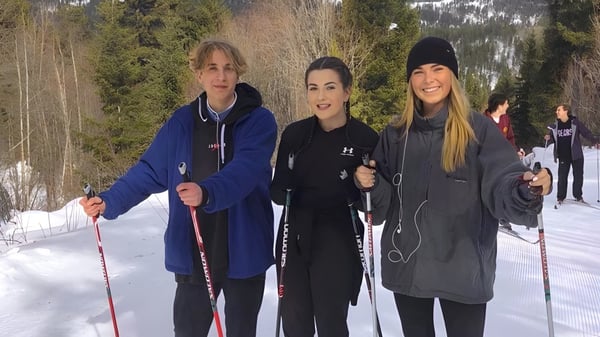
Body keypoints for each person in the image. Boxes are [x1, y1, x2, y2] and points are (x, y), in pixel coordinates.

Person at [354, 37, 552, 337]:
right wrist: (366, 182)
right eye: (418, 71)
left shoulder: (478, 130)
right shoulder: (395, 135)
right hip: (409, 264)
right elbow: (379, 206)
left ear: (452, 76)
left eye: (437, 69)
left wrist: (526, 188)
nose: (428, 79)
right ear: (410, 80)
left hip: (463, 266)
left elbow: (503, 179)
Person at [79, 38, 277, 337]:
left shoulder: (259, 120)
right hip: (193, 243)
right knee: (187, 330)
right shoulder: (182, 122)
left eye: (228, 69)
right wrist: (108, 201)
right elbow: (149, 170)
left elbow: (246, 170)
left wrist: (206, 192)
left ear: (238, 74)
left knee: (241, 330)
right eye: (212, 68)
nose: (220, 77)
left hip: (244, 245)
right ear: (199, 74)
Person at [270, 56, 379, 337]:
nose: (320, 96)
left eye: (330, 87)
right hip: (294, 235)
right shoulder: (296, 135)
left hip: (338, 237)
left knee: (331, 322)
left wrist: (361, 184)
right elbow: (278, 192)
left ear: (347, 91)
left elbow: (373, 206)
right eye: (313, 87)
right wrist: (288, 187)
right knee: (294, 322)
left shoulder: (363, 138)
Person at [483, 92, 524, 230]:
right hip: (487, 162)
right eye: (506, 103)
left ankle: (502, 217)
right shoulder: (483, 120)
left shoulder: (506, 119)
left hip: (503, 161)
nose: (508, 105)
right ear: (499, 105)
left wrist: (515, 151)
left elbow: (510, 138)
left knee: (503, 187)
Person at [544, 104, 599, 204]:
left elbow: (586, 133)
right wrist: (548, 137)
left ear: (566, 111)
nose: (557, 112)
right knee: (562, 177)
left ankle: (578, 196)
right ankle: (560, 197)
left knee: (578, 176)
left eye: (559, 110)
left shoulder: (575, 123)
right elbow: (552, 137)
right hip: (563, 155)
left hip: (576, 155)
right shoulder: (555, 125)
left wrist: (595, 141)